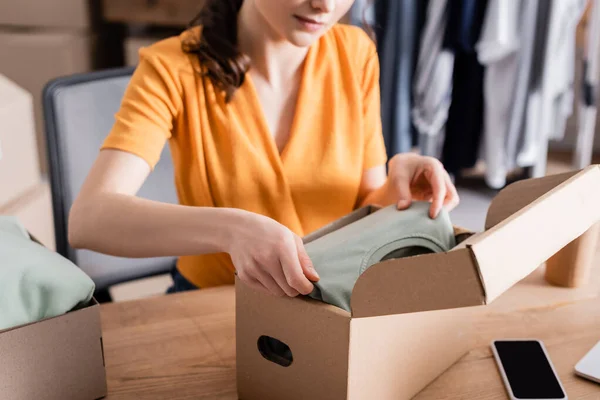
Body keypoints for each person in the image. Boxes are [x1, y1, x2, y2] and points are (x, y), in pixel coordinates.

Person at [68, 0, 460, 298]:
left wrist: (398, 183)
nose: (326, 5)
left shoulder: (354, 52)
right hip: (217, 301)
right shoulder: (171, 69)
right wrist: (233, 230)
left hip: (328, 301)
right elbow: (90, 219)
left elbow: (364, 206)